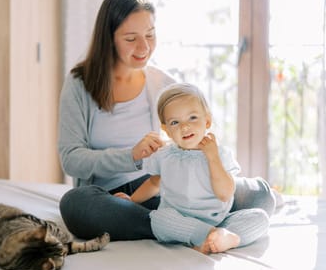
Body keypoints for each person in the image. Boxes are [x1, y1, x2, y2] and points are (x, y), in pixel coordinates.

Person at [58, 0, 275, 242]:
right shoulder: (80, 83)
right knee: (75, 205)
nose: (144, 47)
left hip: (168, 188)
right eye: (131, 39)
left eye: (150, 34)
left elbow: (191, 131)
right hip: (112, 197)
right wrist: (131, 157)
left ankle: (186, 226)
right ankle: (188, 228)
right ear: (109, 38)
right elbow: (71, 159)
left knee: (260, 195)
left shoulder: (163, 83)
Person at [114, 83, 269, 253]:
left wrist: (212, 158)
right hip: (180, 219)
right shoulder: (164, 156)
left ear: (207, 121)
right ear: (166, 130)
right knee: (158, 219)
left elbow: (225, 194)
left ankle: (226, 237)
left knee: (260, 217)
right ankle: (208, 236)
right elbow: (154, 184)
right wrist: (132, 200)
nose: (185, 127)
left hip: (218, 220)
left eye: (192, 118)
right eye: (175, 122)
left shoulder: (219, 153)